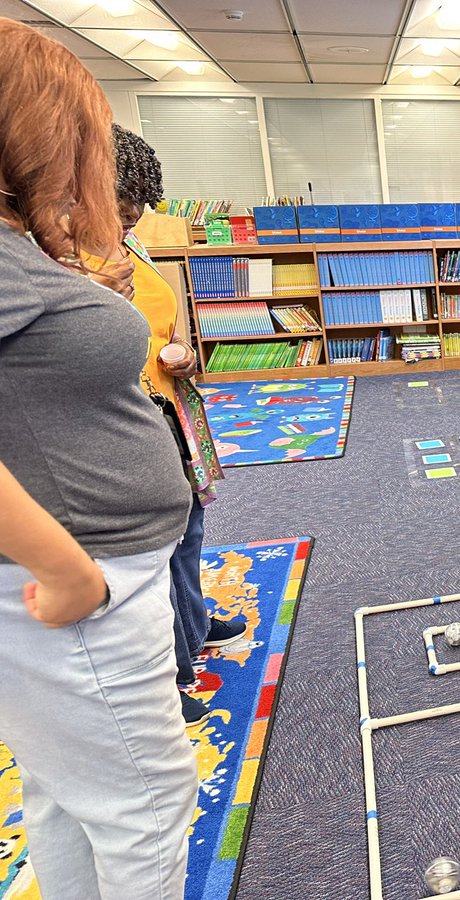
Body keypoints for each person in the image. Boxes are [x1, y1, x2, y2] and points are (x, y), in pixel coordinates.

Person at [0, 17, 197, 899]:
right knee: (147, 803)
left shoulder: (17, 247)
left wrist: (79, 298)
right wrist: (65, 567)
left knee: (67, 792)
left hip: (87, 563)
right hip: (75, 578)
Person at [108, 125, 244, 727]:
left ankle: (190, 624)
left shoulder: (127, 245)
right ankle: (168, 670)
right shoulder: (51, 262)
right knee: (146, 551)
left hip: (165, 409)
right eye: (121, 202)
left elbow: (159, 325)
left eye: (140, 203)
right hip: (119, 424)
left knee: (187, 533)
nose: (133, 215)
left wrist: (184, 351)